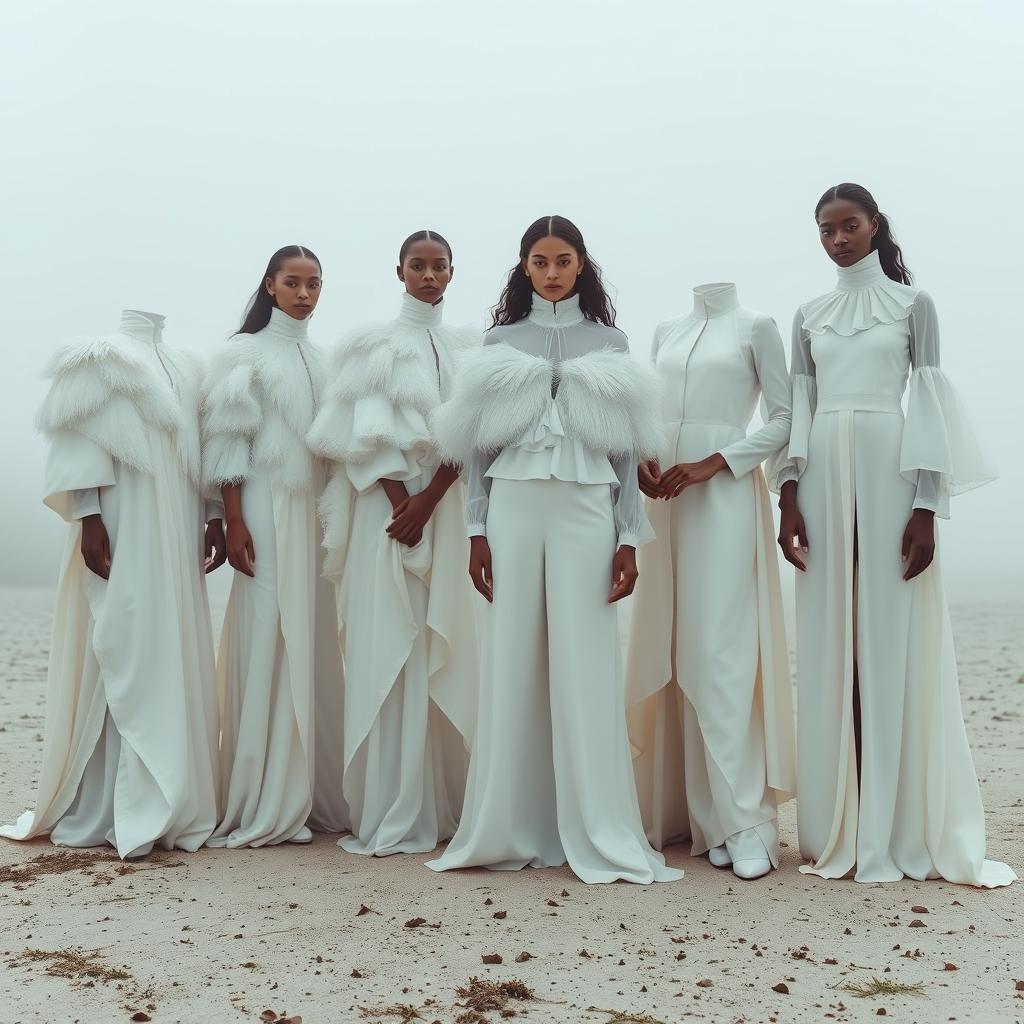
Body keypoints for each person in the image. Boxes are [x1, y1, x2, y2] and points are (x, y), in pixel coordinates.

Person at [426, 215, 683, 885]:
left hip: (586, 508)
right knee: (511, 658)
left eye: (561, 260)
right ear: (524, 267)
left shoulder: (612, 341)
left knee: (585, 659)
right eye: (538, 261)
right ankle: (508, 823)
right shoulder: (498, 340)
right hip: (512, 505)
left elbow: (627, 452)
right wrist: (476, 531)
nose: (550, 271)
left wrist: (630, 536)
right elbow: (478, 448)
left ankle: (596, 824)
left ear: (579, 264)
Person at [775, 183, 1015, 886]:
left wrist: (926, 504)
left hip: (889, 472)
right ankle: (833, 821)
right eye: (826, 229)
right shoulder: (808, 313)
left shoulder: (915, 306)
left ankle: (892, 817)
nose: (838, 239)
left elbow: (930, 401)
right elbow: (800, 405)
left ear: (875, 226)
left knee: (888, 635)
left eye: (849, 225)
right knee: (830, 641)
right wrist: (788, 495)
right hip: (821, 471)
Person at [1, 309, 223, 857]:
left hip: (178, 518)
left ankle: (171, 792)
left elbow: (203, 451)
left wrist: (214, 514)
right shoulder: (98, 360)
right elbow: (77, 441)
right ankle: (111, 798)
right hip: (125, 515)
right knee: (124, 630)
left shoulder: (189, 367)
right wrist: (89, 515)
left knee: (166, 635)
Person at [308, 230, 479, 856]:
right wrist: (400, 503)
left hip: (450, 507)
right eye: (418, 266)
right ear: (399, 272)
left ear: (453, 273)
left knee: (448, 641)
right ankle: (394, 806)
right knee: (393, 645)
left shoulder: (471, 348)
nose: (429, 276)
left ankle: (451, 806)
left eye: (439, 267)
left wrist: (431, 499)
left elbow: (477, 434)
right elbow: (356, 432)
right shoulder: (370, 346)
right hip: (383, 514)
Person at [626, 282, 796, 880]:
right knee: (672, 647)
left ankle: (748, 820)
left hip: (722, 495)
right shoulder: (666, 331)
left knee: (720, 648)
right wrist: (645, 455)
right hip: (666, 497)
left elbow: (785, 418)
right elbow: (648, 412)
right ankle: (703, 819)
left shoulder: (758, 325)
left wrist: (718, 461)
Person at [203, 245, 346, 848]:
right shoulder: (243, 353)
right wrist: (232, 518)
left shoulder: (322, 356)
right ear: (269, 285)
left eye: (314, 283)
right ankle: (261, 793)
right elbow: (228, 439)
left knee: (310, 635)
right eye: (293, 282)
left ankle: (308, 788)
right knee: (266, 630)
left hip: (312, 510)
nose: (305, 294)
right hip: (264, 501)